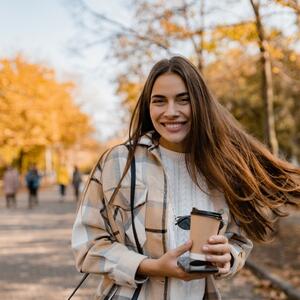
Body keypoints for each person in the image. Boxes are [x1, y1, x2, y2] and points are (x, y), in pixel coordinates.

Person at [71, 56, 300, 299]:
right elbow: (88, 246)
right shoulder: (118, 162)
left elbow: (239, 241)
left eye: (183, 100)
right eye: (159, 101)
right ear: (148, 107)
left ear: (200, 104)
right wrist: (151, 266)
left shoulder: (223, 164)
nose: (171, 112)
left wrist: (227, 256)